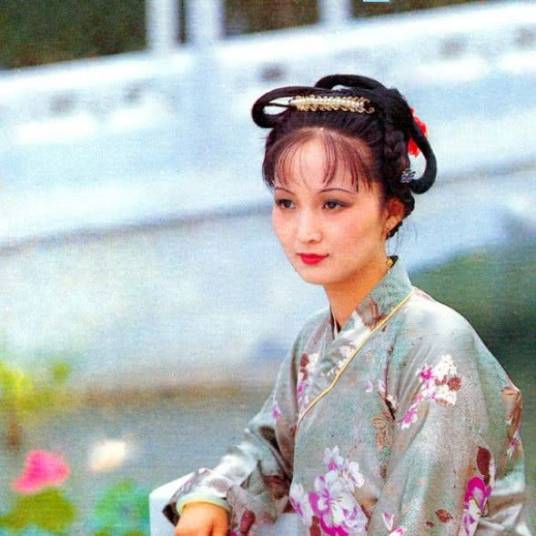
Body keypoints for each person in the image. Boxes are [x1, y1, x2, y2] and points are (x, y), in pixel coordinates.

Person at [163, 74, 532, 535]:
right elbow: (273, 446)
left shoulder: (439, 348)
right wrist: (214, 497)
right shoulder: (314, 339)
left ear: (391, 211)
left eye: (333, 204)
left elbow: (420, 524)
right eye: (286, 203)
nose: (305, 231)